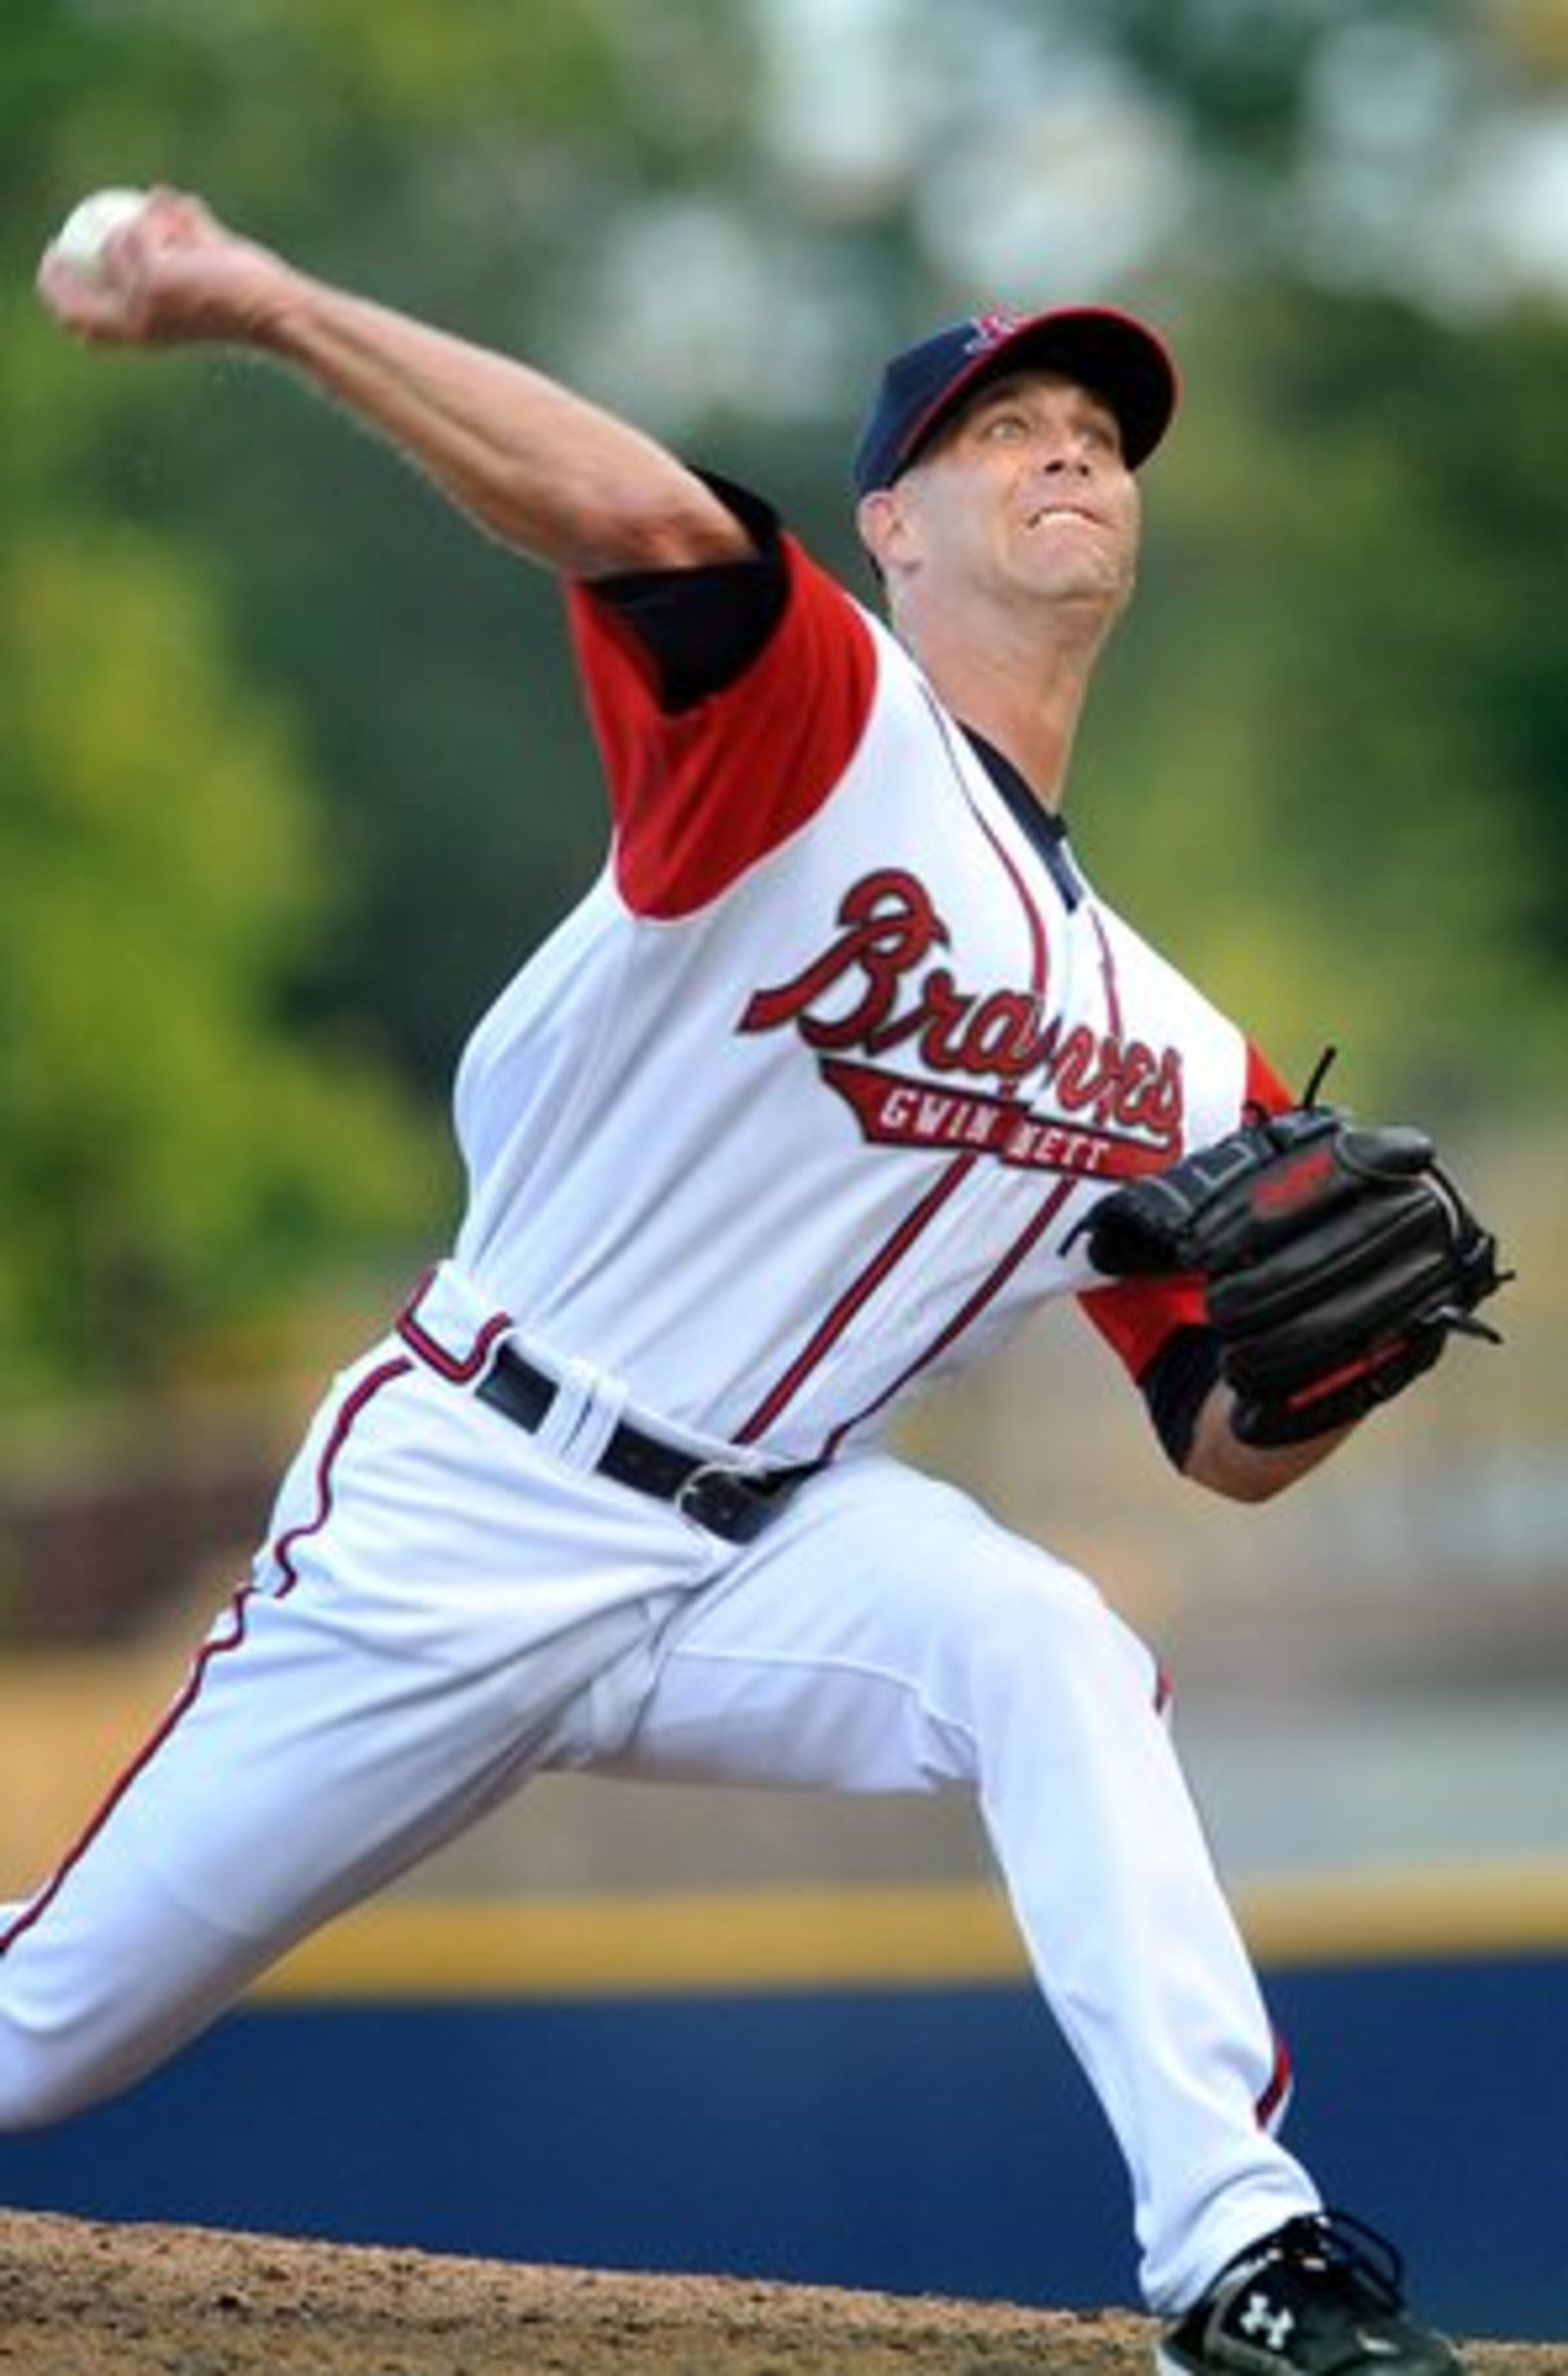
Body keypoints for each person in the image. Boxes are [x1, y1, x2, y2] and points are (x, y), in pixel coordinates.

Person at [23, 189, 1465, 2376]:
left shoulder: (1180, 1053)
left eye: (1101, 430)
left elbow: (1225, 1447)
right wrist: (271, 301)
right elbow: (624, 509)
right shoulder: (822, 727)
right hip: (471, 1506)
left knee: (1045, 1642)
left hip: (767, 1554)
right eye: (1010, 429)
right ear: (890, 522)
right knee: (41, 2040)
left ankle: (1237, 2258)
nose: (1075, 450)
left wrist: (1338, 1370)